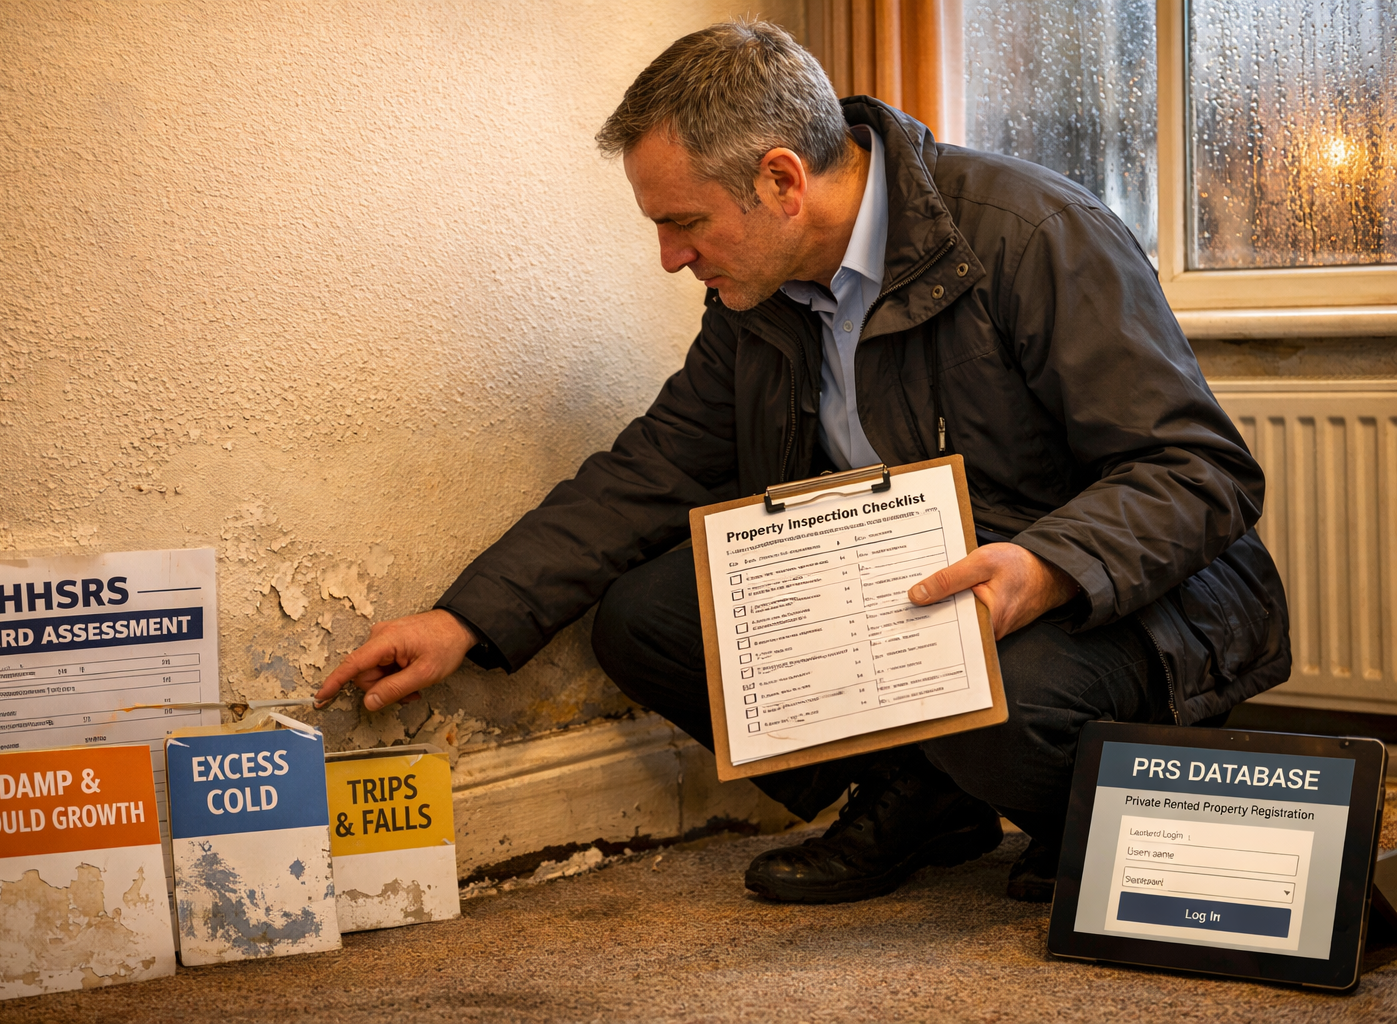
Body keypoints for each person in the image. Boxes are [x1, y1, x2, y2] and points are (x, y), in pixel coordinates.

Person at [315, 21, 1290, 904]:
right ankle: (921, 792)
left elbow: (1199, 471)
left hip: (1120, 610)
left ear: (783, 181)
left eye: (684, 223)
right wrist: (464, 617)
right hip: (927, 592)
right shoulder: (761, 297)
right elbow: (656, 467)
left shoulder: (1030, 233)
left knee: (992, 693)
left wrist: (1043, 569)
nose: (668, 257)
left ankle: (1089, 810)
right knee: (650, 617)